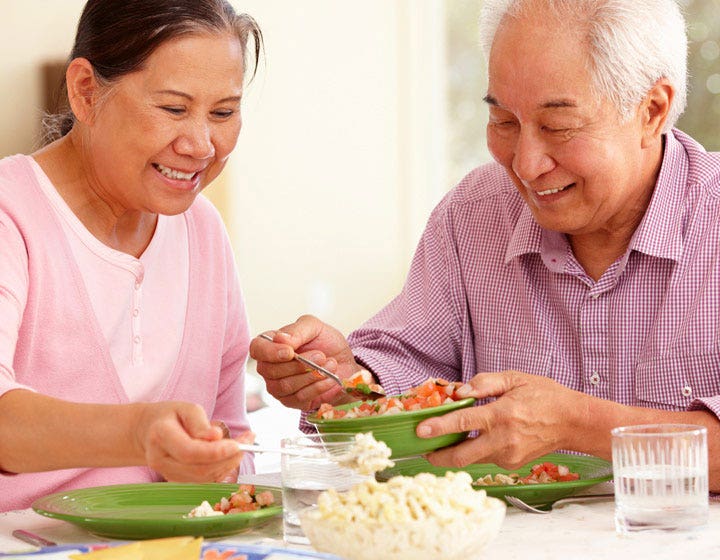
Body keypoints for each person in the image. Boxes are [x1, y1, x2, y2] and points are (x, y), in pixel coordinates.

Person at [251, 0, 720, 492]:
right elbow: (407, 373)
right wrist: (344, 381)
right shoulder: (474, 215)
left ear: (652, 110)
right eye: (504, 121)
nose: (526, 164)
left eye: (557, 127)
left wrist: (577, 424)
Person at [0, 0, 263, 510]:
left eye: (223, 113)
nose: (201, 145)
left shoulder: (203, 230)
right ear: (85, 91)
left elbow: (232, 440)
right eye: (173, 109)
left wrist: (218, 463)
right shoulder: (11, 216)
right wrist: (139, 433)